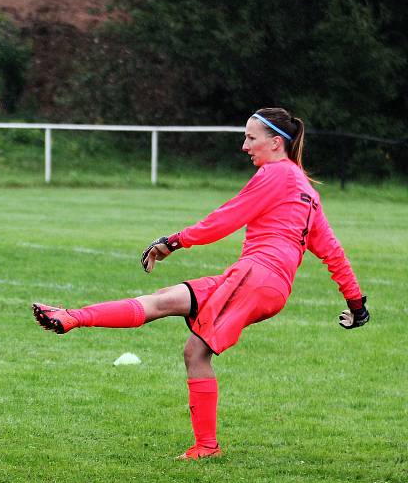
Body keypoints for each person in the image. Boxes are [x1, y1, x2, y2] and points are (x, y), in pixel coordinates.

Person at [32, 107, 370, 461]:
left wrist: (173, 241)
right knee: (164, 302)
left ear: (274, 142)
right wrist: (356, 304)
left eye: (251, 138)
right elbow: (333, 252)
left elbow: (225, 219)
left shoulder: (277, 175)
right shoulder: (306, 191)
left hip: (256, 277)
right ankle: (70, 317)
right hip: (258, 280)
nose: (244, 146)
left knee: (194, 351)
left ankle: (207, 447)